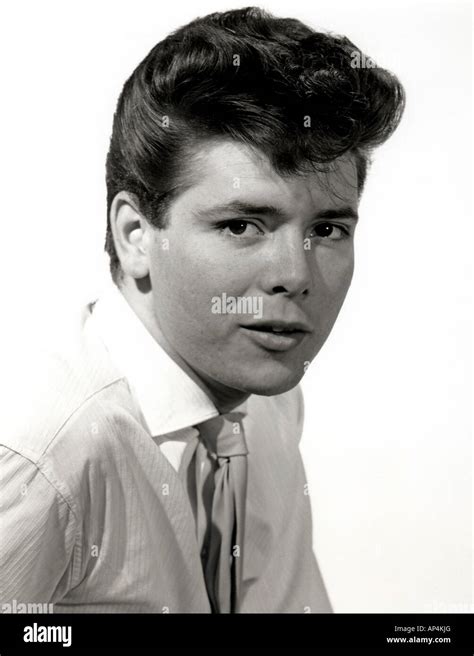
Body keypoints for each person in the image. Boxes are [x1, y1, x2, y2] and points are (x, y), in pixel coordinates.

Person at [0, 7, 404, 613]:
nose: (295, 276)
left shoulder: (266, 404)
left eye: (327, 228)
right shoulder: (38, 455)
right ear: (137, 234)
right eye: (242, 224)